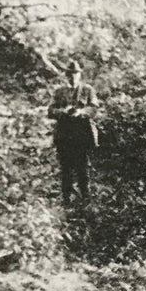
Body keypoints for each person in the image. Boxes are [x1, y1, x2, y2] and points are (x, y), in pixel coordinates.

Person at [48, 62, 99, 204]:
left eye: (75, 73)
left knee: (82, 168)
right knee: (66, 169)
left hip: (82, 136)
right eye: (69, 74)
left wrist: (80, 112)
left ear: (79, 74)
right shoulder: (59, 92)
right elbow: (51, 111)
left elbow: (94, 109)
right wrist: (64, 112)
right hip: (64, 136)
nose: (72, 77)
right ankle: (66, 199)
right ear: (66, 75)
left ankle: (86, 199)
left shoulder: (88, 90)